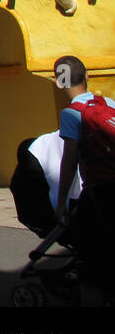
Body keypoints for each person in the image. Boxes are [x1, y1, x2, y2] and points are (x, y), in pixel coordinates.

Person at [53, 55, 115, 301]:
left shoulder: (71, 114)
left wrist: (61, 203)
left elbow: (70, 160)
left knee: (90, 255)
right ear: (87, 76)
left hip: (100, 190)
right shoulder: (108, 103)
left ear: (59, 82)